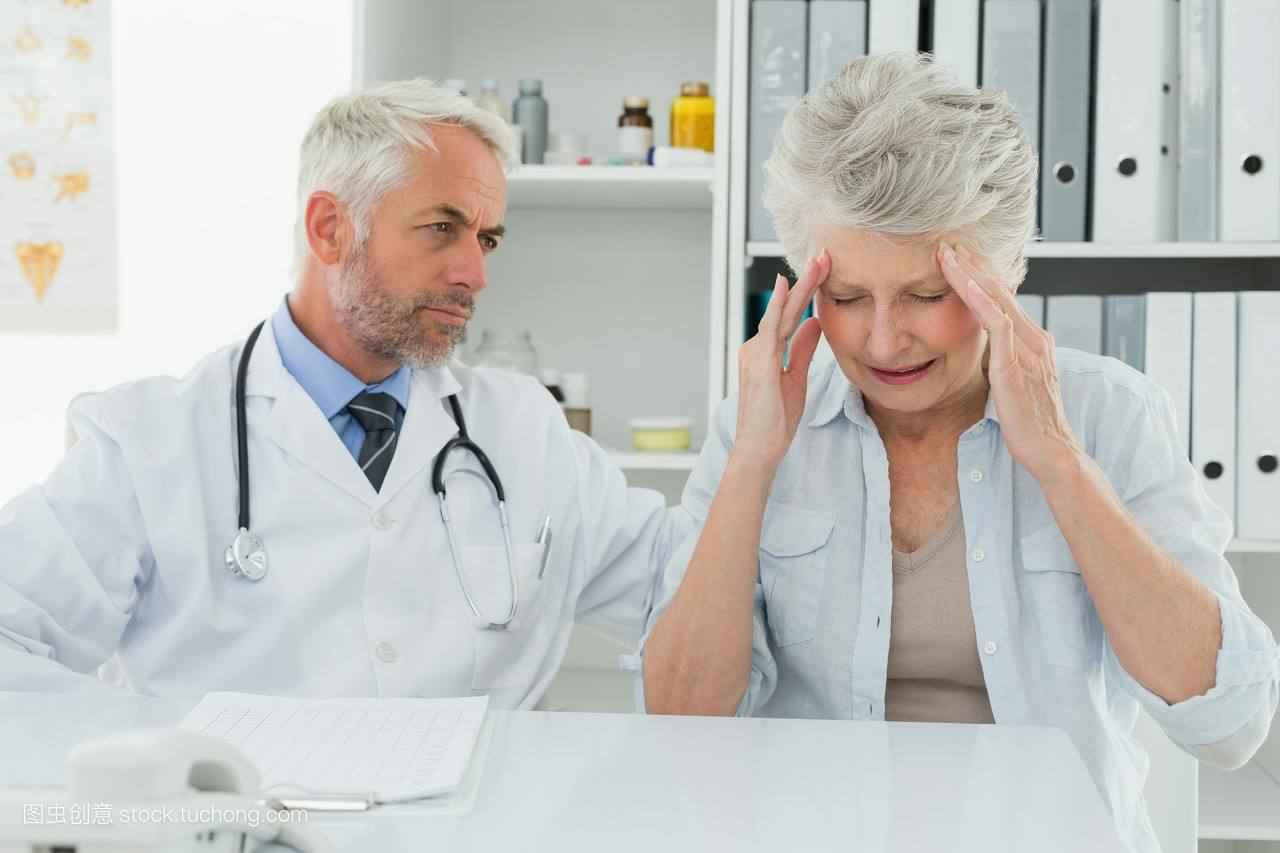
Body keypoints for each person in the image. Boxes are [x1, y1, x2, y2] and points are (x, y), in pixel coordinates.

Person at [640, 53, 1279, 852]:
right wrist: (752, 463)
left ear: (1002, 275)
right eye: (846, 297)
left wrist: (1057, 460)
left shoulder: (1109, 414)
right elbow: (680, 722)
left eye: (927, 295)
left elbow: (1231, 724)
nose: (884, 341)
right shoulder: (761, 425)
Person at [0, 80, 691, 706]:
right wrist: (155, 758)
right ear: (330, 229)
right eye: (443, 228)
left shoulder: (523, 429)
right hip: (235, 809)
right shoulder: (147, 442)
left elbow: (679, 577)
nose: (475, 273)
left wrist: (743, 451)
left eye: (487, 240)